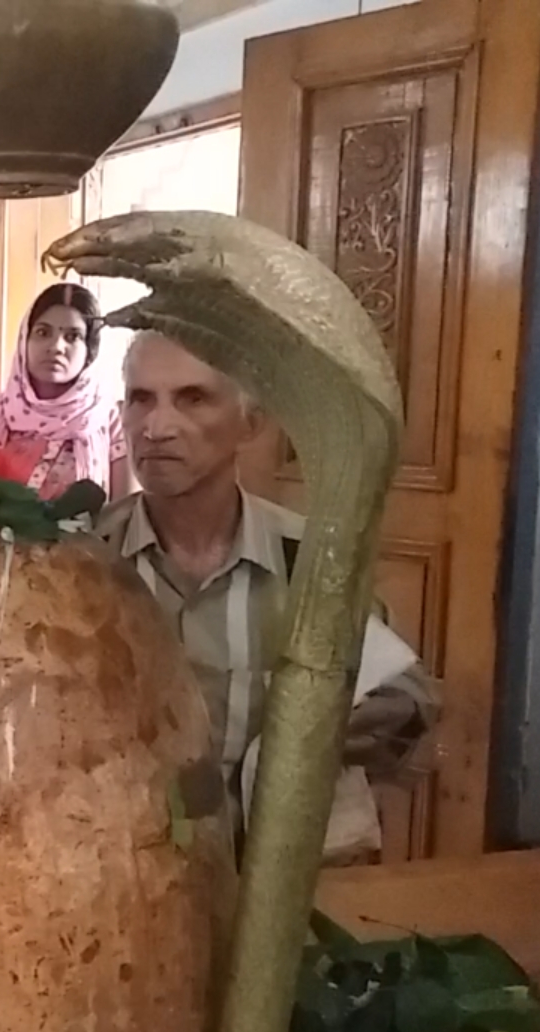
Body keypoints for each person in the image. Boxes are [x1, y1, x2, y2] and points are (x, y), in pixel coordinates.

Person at [95, 332, 439, 852]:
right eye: (141, 399)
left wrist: (362, 721)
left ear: (249, 424)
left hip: (272, 888)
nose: (156, 427)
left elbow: (411, 696)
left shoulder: (308, 558)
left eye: (193, 398)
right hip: (123, 882)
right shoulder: (81, 556)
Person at [0, 281, 132, 497]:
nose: (56, 347)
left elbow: (124, 514)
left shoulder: (111, 423)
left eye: (73, 336)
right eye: (43, 332)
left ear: (90, 349)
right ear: (24, 341)